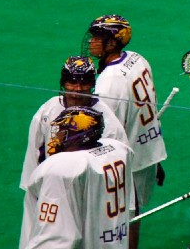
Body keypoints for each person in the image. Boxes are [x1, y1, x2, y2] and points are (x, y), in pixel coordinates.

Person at [19, 56, 128, 248]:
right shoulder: (47, 110)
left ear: (92, 84)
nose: (77, 90)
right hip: (50, 193)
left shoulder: (108, 124)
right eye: (72, 82)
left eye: (84, 83)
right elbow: (33, 164)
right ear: (63, 83)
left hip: (88, 202)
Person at [82, 15, 166, 249]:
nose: (91, 43)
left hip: (127, 159)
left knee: (124, 215)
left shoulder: (108, 82)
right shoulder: (138, 59)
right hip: (147, 149)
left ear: (112, 43)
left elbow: (106, 133)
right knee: (133, 211)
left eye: (97, 38)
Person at [21, 107, 133, 249]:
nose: (58, 137)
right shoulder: (118, 150)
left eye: (64, 131)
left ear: (80, 136)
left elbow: (57, 238)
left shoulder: (62, 168)